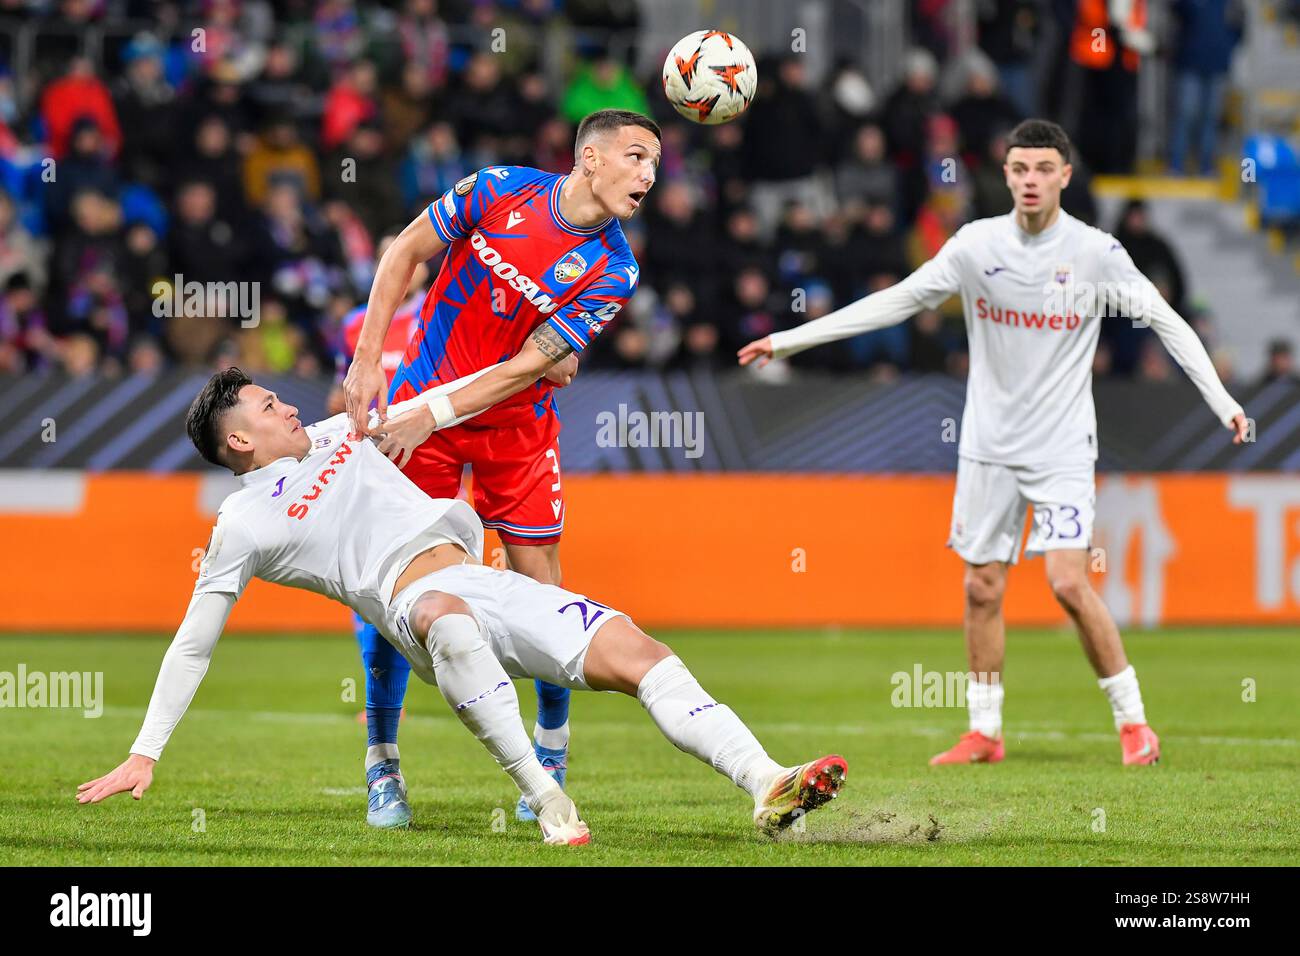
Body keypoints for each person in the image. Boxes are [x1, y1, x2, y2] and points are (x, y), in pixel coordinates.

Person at [75, 368, 847, 845]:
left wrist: (542, 361)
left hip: (489, 581)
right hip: (415, 604)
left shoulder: (348, 429)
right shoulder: (242, 522)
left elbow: (453, 393)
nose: (288, 409)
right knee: (445, 610)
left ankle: (765, 782)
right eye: (269, 406)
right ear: (240, 441)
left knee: (639, 652)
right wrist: (147, 749)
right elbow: (194, 643)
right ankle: (546, 800)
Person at [736, 120, 1249, 767]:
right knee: (981, 585)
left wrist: (1223, 400)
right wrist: (787, 340)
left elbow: (1167, 322)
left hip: (1063, 446)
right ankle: (985, 733)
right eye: (1019, 169)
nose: (1030, 180)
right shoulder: (977, 245)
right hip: (987, 446)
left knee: (1067, 582)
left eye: (1043, 169)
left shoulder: (1096, 254)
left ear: (1065, 175)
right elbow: (897, 300)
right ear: (1005, 175)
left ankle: (1132, 723)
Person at [341, 109, 655, 822]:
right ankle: (382, 765)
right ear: (591, 158)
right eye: (637, 158)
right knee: (393, 596)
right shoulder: (500, 189)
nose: (648, 176)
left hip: (512, 433)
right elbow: (403, 254)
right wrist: (367, 363)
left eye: (655, 166)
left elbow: (528, 369)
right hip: (422, 422)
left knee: (544, 599)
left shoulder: (616, 267)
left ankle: (550, 746)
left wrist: (434, 410)